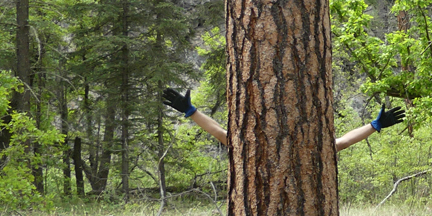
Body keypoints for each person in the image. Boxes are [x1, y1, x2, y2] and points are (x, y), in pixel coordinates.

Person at [162, 88, 405, 150]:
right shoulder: (306, 145)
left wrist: (192, 112)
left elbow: (221, 134)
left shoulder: (256, 144)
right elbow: (341, 143)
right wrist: (374, 126)